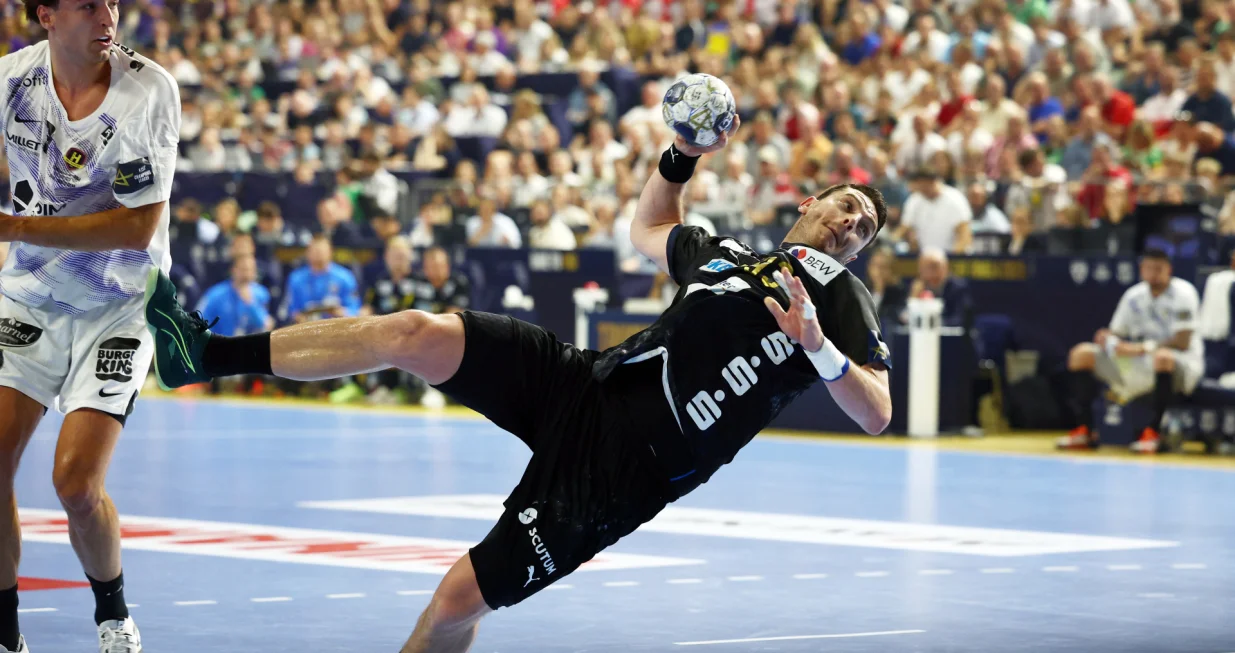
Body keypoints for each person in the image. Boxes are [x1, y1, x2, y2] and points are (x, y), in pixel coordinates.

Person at [141, 117, 894, 653]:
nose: (852, 221)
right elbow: (648, 226)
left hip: (618, 475)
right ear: (807, 204)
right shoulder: (726, 255)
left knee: (454, 603)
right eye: (846, 204)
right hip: (582, 383)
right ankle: (201, 355)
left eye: (864, 225)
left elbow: (877, 412)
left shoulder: (837, 298)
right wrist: (677, 156)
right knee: (417, 332)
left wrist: (821, 348)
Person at [0, 1, 182, 650]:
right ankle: (6, 634)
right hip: (29, 298)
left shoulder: (147, 90)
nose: (107, 15)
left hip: (119, 305)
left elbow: (138, 229)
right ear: (45, 14)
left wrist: (16, 226)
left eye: (112, 1)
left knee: (76, 484)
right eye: (86, 4)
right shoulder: (12, 80)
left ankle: (113, 614)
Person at [1057, 250, 1204, 454]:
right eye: (1148, 268)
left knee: (1162, 358)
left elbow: (1182, 341)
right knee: (1081, 354)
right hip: (1136, 361)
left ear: (1168, 270)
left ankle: (1153, 434)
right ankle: (1085, 430)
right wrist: (1107, 338)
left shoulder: (1184, 293)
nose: (1153, 273)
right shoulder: (1134, 295)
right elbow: (1117, 331)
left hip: (1180, 363)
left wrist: (1142, 348)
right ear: (1141, 269)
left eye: (1158, 269)